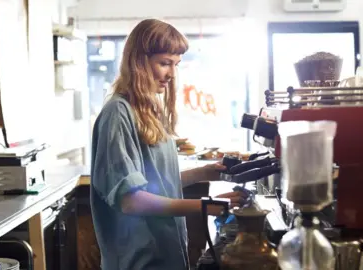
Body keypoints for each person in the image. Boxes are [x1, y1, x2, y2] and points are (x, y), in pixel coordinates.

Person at [90, 19, 248, 270]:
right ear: (138, 61)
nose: (171, 74)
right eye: (164, 63)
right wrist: (205, 206)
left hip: (162, 253)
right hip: (137, 259)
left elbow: (157, 181)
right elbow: (131, 200)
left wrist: (206, 172)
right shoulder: (117, 113)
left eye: (176, 65)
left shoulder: (147, 111)